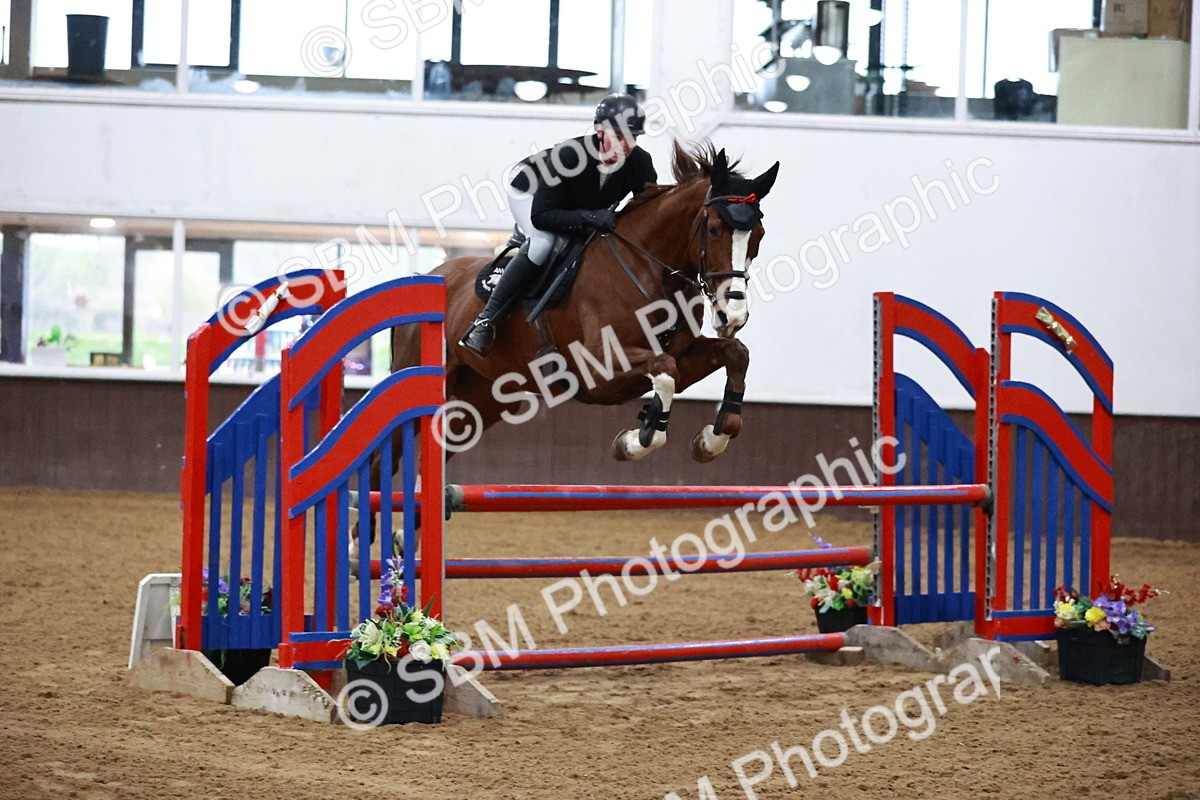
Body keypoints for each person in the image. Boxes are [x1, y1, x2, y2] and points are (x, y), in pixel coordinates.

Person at [458, 93, 659, 357]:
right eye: (619, 137)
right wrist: (590, 218)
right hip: (529, 191)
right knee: (544, 243)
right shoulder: (569, 157)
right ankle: (484, 321)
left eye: (632, 138)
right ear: (599, 132)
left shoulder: (640, 163)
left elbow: (649, 207)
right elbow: (542, 216)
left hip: (572, 204)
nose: (626, 146)